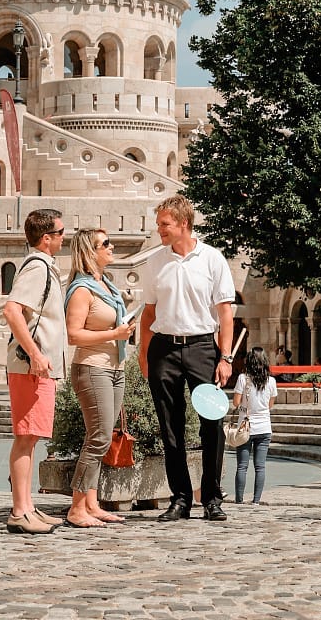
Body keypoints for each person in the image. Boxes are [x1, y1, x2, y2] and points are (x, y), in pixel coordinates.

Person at [139, 194, 235, 522]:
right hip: (163, 349)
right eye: (159, 224)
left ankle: (211, 498)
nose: (159, 229)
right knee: (170, 427)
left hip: (202, 348)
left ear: (184, 223)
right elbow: (148, 312)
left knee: (212, 425)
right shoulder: (155, 262)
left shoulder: (212, 259)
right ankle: (179, 498)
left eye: (164, 224)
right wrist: (143, 353)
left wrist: (226, 357)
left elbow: (225, 313)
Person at [63, 228, 136, 527]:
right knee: (99, 438)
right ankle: (76, 507)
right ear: (89, 251)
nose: (112, 246)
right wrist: (115, 333)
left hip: (114, 367)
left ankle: (91, 504)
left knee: (101, 439)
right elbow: (73, 334)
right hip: (93, 367)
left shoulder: (105, 285)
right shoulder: (82, 289)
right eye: (105, 243)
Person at [2, 208, 67, 535]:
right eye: (60, 232)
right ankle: (19, 512)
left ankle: (27, 507)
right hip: (32, 368)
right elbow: (12, 311)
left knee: (31, 438)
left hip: (38, 368)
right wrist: (36, 354)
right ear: (46, 238)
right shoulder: (38, 267)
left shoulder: (45, 268)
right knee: (26, 437)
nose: (63, 237)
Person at [233, 349, 277, 504]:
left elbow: (236, 403)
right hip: (264, 427)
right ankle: (256, 500)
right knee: (260, 467)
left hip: (246, 427)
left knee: (242, 466)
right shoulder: (271, 381)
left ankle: (239, 500)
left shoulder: (242, 379)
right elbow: (270, 405)